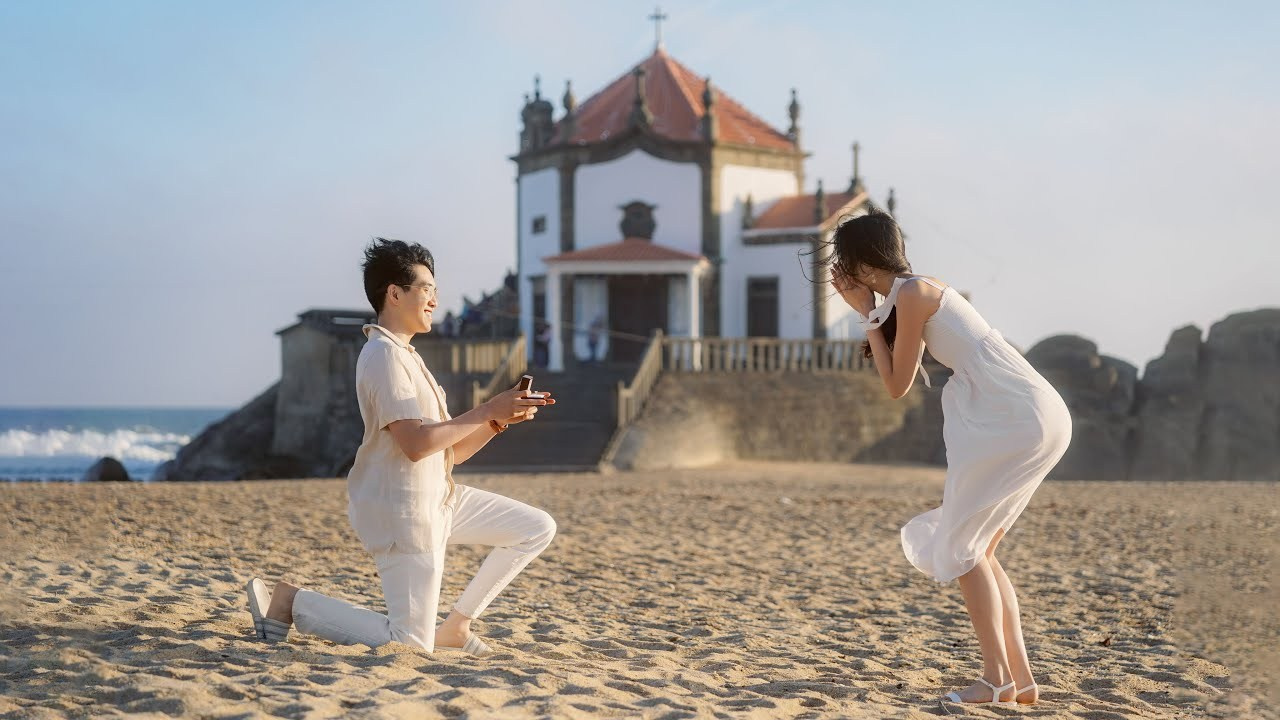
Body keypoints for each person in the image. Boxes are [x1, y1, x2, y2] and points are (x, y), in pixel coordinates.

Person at [243, 238, 557, 656]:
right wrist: (486, 408)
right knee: (408, 644)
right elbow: (414, 444)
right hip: (404, 511)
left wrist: (497, 420)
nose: (435, 300)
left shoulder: (406, 356)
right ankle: (290, 601)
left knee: (535, 527)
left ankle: (456, 627)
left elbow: (449, 453)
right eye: (426, 289)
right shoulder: (382, 356)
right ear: (394, 293)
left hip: (439, 499)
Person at [826, 211, 1071, 708]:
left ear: (861, 262)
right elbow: (900, 380)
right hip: (1033, 412)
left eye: (842, 260)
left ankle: (996, 680)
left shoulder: (914, 294)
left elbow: (897, 386)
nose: (839, 271)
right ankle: (1019, 681)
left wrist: (865, 313)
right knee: (979, 551)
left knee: (963, 549)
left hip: (1012, 414)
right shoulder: (913, 291)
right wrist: (871, 311)